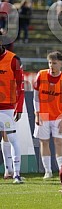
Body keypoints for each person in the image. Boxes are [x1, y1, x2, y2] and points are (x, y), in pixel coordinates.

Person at [33, 51, 62, 179]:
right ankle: (48, 171)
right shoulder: (41, 75)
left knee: (58, 142)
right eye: (50, 63)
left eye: (54, 63)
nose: (51, 65)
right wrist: (37, 113)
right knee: (44, 142)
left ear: (60, 64)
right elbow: (35, 96)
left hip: (58, 116)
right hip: (43, 115)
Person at [0, 39, 24, 183]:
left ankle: (16, 174)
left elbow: (20, 86)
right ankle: (8, 170)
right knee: (5, 139)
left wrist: (19, 107)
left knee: (12, 139)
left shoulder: (13, 59)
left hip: (8, 107)